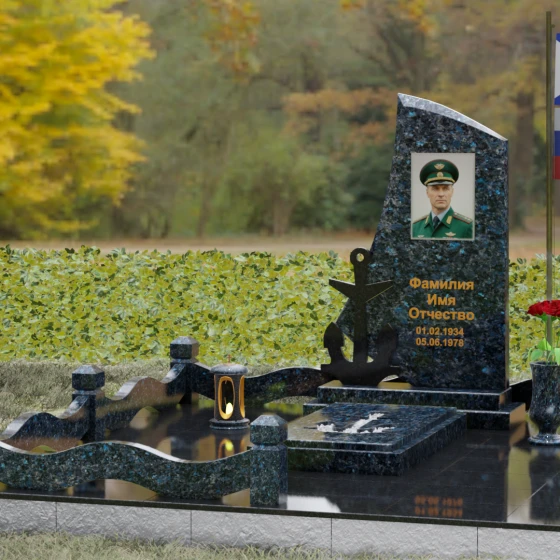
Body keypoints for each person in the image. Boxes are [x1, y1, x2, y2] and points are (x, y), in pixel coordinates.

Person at [411, 159, 473, 239]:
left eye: (446, 189)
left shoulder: (466, 227)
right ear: (427, 193)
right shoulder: (416, 227)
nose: (441, 194)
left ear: (452, 192)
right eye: (435, 189)